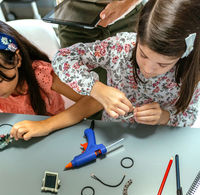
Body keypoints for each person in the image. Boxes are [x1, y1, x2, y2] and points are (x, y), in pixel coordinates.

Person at [52, 0, 200, 127]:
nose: (147, 69)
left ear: (184, 55)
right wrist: (96, 89)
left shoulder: (192, 71)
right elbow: (63, 58)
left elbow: (190, 115)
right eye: (143, 54)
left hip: (159, 141)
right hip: (111, 132)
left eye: (163, 64)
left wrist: (163, 117)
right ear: (137, 35)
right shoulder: (121, 47)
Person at [0, 21, 102, 141]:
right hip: (20, 135)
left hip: (55, 134)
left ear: (17, 59)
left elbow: (97, 100)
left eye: (0, 79)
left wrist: (45, 125)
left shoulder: (40, 73)